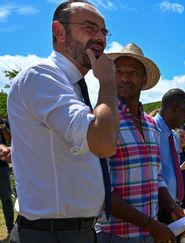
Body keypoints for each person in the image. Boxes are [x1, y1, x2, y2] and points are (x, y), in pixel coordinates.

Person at [7, 1, 118, 242]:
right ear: (59, 32)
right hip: (52, 234)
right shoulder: (42, 75)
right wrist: (109, 82)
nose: (100, 38)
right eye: (90, 27)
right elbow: (103, 143)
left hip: (73, 231)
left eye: (104, 31)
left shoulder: (72, 86)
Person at [96, 43, 175, 243]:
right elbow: (100, 188)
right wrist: (150, 224)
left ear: (144, 80)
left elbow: (156, 177)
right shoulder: (102, 121)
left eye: (133, 73)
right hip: (114, 234)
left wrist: (172, 206)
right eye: (119, 72)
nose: (124, 78)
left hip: (148, 234)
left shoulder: (150, 125)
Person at [153, 89, 185, 229]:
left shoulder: (174, 136)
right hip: (158, 207)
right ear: (173, 109)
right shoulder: (151, 129)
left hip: (173, 205)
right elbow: (155, 175)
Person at [0, 116, 12, 235]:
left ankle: (10, 228)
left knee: (7, 199)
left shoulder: (2, 123)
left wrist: (2, 125)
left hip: (2, 167)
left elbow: (10, 140)